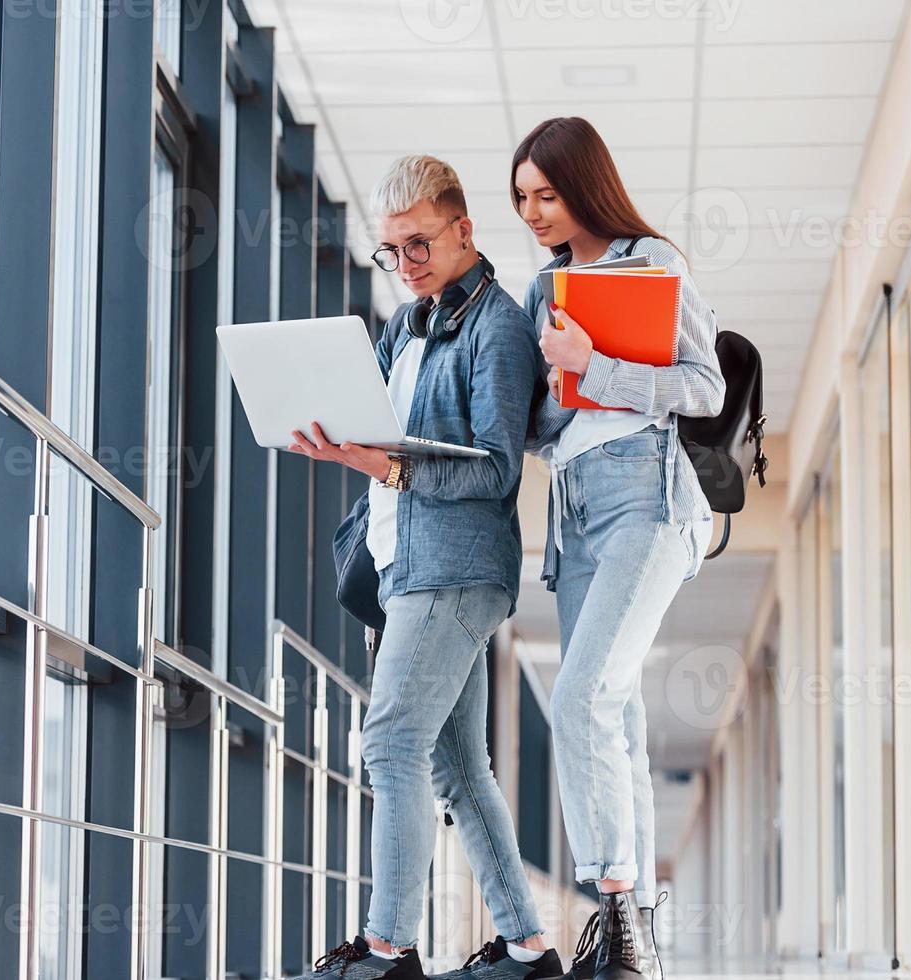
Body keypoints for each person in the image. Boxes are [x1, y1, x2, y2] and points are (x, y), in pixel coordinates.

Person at [285, 155, 562, 980]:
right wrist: (327, 430)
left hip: (457, 567)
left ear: (464, 231)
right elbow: (371, 420)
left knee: (391, 739)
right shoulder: (405, 326)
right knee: (453, 763)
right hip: (403, 564)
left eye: (418, 244)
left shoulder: (498, 328)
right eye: (390, 252)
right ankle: (527, 946)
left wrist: (388, 468)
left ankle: (388, 947)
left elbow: (494, 470)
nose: (404, 265)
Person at [513, 117, 726, 980]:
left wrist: (591, 364)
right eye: (521, 198)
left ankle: (614, 909)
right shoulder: (543, 287)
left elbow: (703, 388)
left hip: (648, 496)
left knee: (579, 697)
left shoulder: (653, 263)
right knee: (619, 715)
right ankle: (631, 932)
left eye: (547, 195)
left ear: (584, 185)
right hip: (573, 509)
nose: (532, 213)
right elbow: (538, 427)